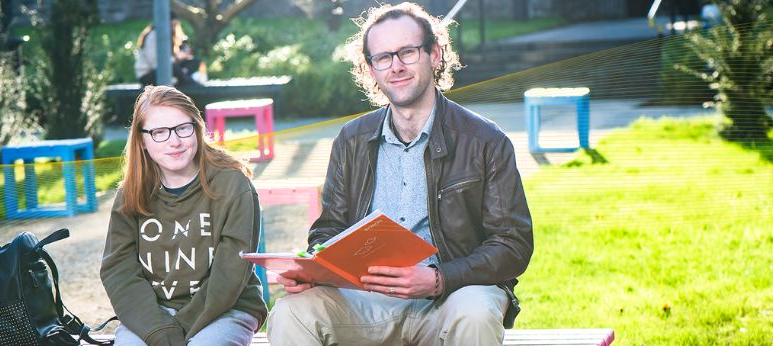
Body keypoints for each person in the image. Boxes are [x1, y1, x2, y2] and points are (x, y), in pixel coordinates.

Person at [267, 2, 534, 345]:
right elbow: (329, 229)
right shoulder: (351, 140)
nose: (396, 66)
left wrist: (439, 278)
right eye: (383, 58)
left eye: (407, 52)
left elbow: (513, 244)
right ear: (371, 69)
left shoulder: (486, 142)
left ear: (435, 54)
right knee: (291, 312)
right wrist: (314, 270)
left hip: (452, 297)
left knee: (477, 311)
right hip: (363, 301)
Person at [100, 85, 267, 345]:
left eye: (182, 128)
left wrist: (178, 331)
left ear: (197, 128)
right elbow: (119, 270)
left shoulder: (232, 186)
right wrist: (158, 330)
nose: (174, 141)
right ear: (142, 140)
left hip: (225, 310)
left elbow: (229, 275)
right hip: (153, 313)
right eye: (159, 132)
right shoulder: (130, 194)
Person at [135, 15, 206, 87]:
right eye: (172, 25)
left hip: (165, 69)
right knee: (173, 68)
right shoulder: (153, 35)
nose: (173, 28)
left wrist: (182, 57)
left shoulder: (169, 35)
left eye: (175, 25)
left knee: (194, 62)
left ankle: (183, 81)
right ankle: (191, 84)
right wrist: (177, 58)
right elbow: (156, 63)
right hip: (148, 76)